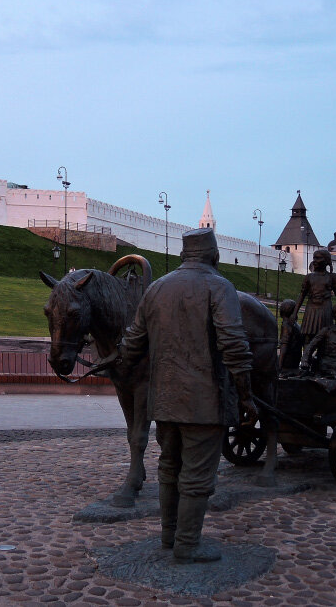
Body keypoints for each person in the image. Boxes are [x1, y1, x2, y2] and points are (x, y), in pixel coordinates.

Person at [119, 227, 256, 565]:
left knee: (169, 467)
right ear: (214, 256)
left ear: (183, 255)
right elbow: (234, 346)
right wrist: (247, 396)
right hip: (203, 402)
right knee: (196, 474)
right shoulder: (219, 286)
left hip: (163, 401)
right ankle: (187, 545)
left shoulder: (155, 289)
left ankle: (170, 536)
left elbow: (131, 345)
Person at [278, 299, 303, 372]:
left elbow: (284, 346)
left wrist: (279, 366)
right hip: (295, 360)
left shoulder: (286, 325)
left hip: (288, 362)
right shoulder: (296, 325)